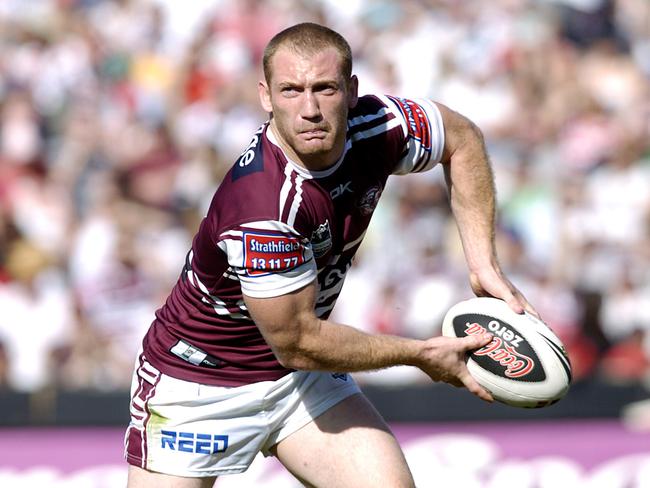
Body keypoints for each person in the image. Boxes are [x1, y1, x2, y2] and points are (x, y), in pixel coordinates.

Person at [125, 22, 534, 488]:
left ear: (352, 90)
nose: (310, 109)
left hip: (297, 380)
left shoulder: (380, 125)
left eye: (325, 88)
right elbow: (297, 340)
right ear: (266, 96)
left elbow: (461, 139)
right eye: (291, 91)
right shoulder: (263, 207)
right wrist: (419, 354)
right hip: (200, 383)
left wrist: (482, 264)